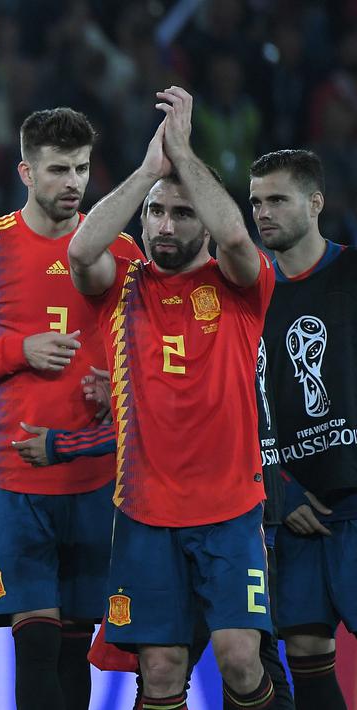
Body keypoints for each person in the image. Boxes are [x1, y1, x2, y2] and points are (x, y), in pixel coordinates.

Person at [67, 87, 276, 710]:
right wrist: (149, 173)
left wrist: (185, 159)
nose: (163, 225)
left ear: (204, 223)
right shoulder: (123, 284)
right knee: (160, 672)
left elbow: (238, 240)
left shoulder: (240, 287)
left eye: (181, 214)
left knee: (241, 659)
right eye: (156, 213)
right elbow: (80, 251)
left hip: (230, 509)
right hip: (144, 513)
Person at [0, 107, 142, 710]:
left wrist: (114, 382)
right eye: (58, 169)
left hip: (94, 475)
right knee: (34, 642)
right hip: (13, 476)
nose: (73, 182)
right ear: (25, 171)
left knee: (73, 645)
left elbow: (150, 354)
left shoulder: (119, 247)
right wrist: (19, 349)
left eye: (82, 168)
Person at [252, 148, 357, 710]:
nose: (263, 213)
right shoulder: (250, 297)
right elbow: (241, 404)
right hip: (295, 508)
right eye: (256, 202)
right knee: (307, 650)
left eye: (277, 200)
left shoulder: (351, 274)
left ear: (315, 203)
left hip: (354, 499)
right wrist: (280, 486)